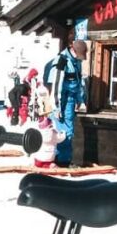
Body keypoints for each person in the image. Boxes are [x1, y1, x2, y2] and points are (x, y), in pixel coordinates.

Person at [45, 35, 87, 167]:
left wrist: (80, 99)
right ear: (73, 50)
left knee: (67, 131)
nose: (80, 58)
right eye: (79, 55)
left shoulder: (76, 62)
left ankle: (62, 159)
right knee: (64, 132)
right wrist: (56, 107)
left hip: (71, 99)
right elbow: (56, 86)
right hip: (61, 101)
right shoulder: (61, 61)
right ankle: (62, 161)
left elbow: (79, 81)